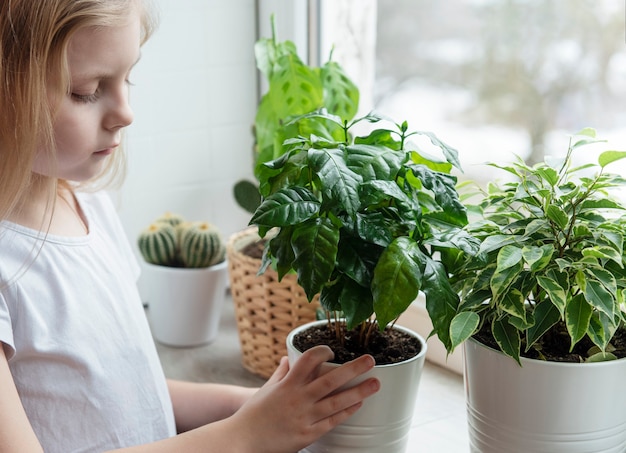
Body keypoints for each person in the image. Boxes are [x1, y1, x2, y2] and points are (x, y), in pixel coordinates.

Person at [0, 1, 380, 452]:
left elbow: (130, 395)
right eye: (86, 90)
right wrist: (247, 434)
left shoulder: (90, 211)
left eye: (128, 78)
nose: (126, 112)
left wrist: (259, 406)